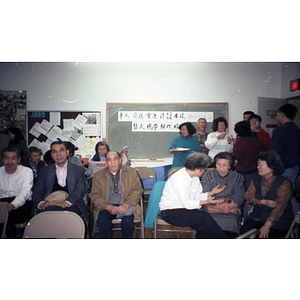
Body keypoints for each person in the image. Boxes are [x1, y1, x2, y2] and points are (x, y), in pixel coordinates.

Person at [159, 152, 229, 238]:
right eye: (203, 169)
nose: (204, 171)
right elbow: (187, 203)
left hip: (182, 209)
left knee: (203, 227)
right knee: (203, 217)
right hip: (170, 212)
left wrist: (210, 193)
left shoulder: (194, 177)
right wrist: (206, 202)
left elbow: (195, 197)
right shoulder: (179, 179)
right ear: (197, 169)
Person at [240, 150, 294, 238]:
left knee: (262, 237)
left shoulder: (284, 183)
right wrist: (262, 202)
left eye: (261, 165)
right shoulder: (256, 178)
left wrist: (266, 226)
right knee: (244, 232)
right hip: (258, 216)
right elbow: (248, 197)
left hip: (278, 220)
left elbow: (279, 207)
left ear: (271, 167)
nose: (258, 167)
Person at [32, 141, 89, 223]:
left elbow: (80, 190)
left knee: (70, 217)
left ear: (67, 152)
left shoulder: (78, 170)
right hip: (50, 203)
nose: (58, 154)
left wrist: (66, 203)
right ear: (52, 155)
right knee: (47, 215)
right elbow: (37, 190)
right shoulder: (45, 171)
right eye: (54, 152)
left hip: (72, 204)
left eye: (61, 150)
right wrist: (42, 203)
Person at [89, 150, 143, 238]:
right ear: (106, 162)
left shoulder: (131, 172)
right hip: (108, 205)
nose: (113, 163)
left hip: (126, 204)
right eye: (109, 160)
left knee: (127, 222)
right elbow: (95, 194)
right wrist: (106, 206)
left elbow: (137, 190)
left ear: (119, 160)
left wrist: (126, 204)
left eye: (115, 159)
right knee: (102, 221)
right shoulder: (98, 175)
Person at [201, 152, 245, 238]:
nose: (221, 168)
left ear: (230, 166)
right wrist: (216, 203)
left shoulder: (237, 177)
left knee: (231, 224)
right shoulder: (208, 175)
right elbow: (204, 193)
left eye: (224, 165)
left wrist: (230, 204)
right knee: (206, 227)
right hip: (212, 208)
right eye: (218, 164)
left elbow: (240, 195)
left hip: (230, 210)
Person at [233, 121, 268, 220]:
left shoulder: (240, 142)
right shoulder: (256, 140)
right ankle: (248, 217)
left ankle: (242, 218)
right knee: (251, 196)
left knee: (241, 195)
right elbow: (265, 149)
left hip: (242, 173)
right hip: (254, 171)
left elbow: (236, 158)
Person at [269, 103, 300, 215]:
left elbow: (273, 152)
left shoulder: (280, 130)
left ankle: (295, 218)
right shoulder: (296, 129)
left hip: (283, 169)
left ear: (282, 114)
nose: (277, 117)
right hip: (294, 167)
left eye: (277, 114)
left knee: (285, 195)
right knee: (288, 193)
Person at [0, 146, 33, 237]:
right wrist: (3, 206)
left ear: (19, 160)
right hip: (1, 203)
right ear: (3, 159)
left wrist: (11, 205)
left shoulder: (26, 172)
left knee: (6, 216)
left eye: (13, 158)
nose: (9, 162)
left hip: (21, 205)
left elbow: (24, 193)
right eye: (6, 158)